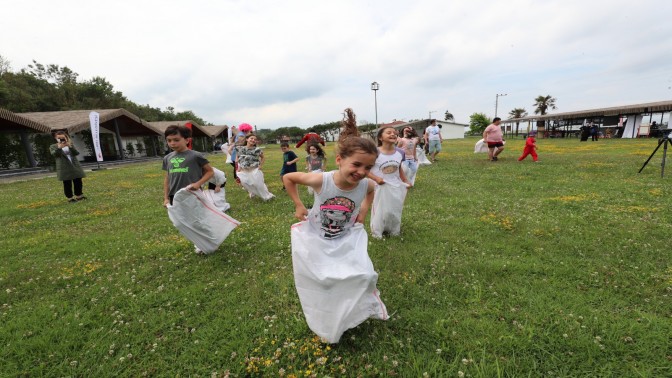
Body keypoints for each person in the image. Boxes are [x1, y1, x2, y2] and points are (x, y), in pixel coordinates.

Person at [282, 107, 388, 343]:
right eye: (356, 165)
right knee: (324, 279)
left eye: (368, 168)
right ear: (340, 160)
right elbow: (289, 178)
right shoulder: (322, 179)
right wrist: (299, 205)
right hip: (316, 237)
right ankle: (326, 315)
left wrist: (364, 209)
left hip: (346, 237)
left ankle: (351, 311)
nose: (362, 172)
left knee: (365, 275)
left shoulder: (365, 184)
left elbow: (371, 191)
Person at [162, 125, 215, 254]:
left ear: (187, 140)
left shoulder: (195, 155)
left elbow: (210, 172)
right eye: (169, 140)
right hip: (175, 196)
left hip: (192, 194)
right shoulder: (168, 158)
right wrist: (166, 197)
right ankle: (199, 241)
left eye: (176, 139)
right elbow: (167, 178)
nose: (172, 143)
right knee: (181, 222)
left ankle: (208, 242)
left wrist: (198, 183)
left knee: (196, 220)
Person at [368, 125, 411, 239]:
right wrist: (376, 179)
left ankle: (393, 230)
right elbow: (365, 170)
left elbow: (399, 168)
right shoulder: (374, 152)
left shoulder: (400, 152)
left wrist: (405, 180)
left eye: (394, 133)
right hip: (379, 187)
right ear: (380, 138)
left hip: (395, 185)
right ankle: (377, 232)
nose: (393, 134)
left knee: (395, 208)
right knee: (380, 209)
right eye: (388, 132)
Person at [50, 130, 87, 203]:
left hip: (74, 165)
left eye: (63, 138)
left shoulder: (70, 144)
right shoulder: (53, 146)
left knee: (78, 181)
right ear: (55, 138)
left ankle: (79, 196)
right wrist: (59, 148)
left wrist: (70, 146)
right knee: (67, 183)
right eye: (59, 138)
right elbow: (54, 154)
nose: (61, 139)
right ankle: (70, 198)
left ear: (66, 137)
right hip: (64, 167)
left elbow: (76, 153)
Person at [236, 134, 274, 200]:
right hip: (243, 170)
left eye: (255, 139)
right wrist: (238, 166)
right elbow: (237, 157)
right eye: (251, 138)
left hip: (254, 169)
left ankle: (266, 196)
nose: (253, 140)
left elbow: (263, 158)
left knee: (257, 184)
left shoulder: (257, 149)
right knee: (245, 182)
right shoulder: (240, 148)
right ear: (247, 139)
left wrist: (260, 165)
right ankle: (252, 192)